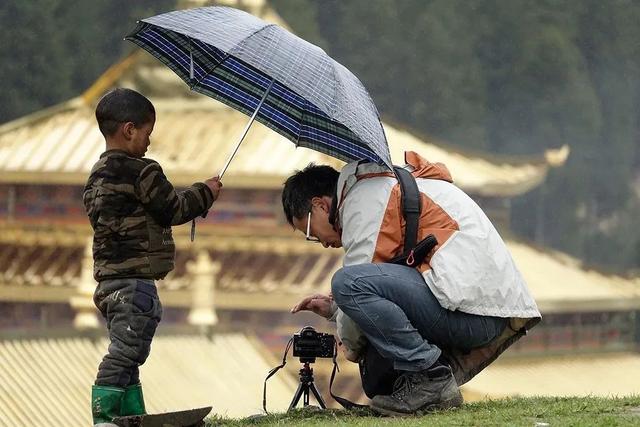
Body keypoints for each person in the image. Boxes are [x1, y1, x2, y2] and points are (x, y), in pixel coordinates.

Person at [283, 151, 540, 416]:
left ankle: (432, 379)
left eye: (312, 233)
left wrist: (348, 343)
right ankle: (421, 382)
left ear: (321, 205)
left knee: (346, 282)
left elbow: (354, 292)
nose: (322, 243)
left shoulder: (365, 201)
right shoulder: (376, 187)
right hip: (473, 308)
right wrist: (336, 310)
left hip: (475, 316)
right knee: (377, 379)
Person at [83, 88, 222, 426]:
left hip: (109, 281)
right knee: (127, 350)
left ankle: (131, 415)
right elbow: (174, 209)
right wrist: (205, 192)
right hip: (134, 280)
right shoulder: (144, 171)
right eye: (147, 133)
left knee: (131, 349)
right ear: (130, 130)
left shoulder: (96, 176)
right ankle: (106, 416)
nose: (148, 142)